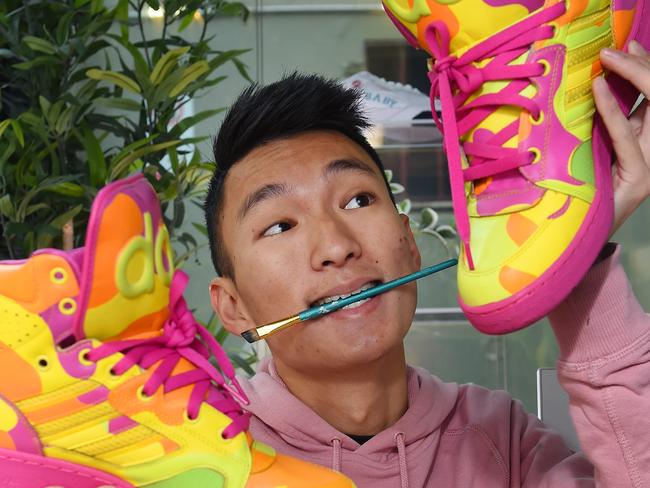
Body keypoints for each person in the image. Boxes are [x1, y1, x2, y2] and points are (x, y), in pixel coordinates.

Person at [203, 43, 650, 487]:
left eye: (358, 199)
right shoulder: (197, 456)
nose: (337, 247)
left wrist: (577, 242)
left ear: (409, 243)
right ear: (233, 306)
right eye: (280, 226)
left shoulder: (503, 442)